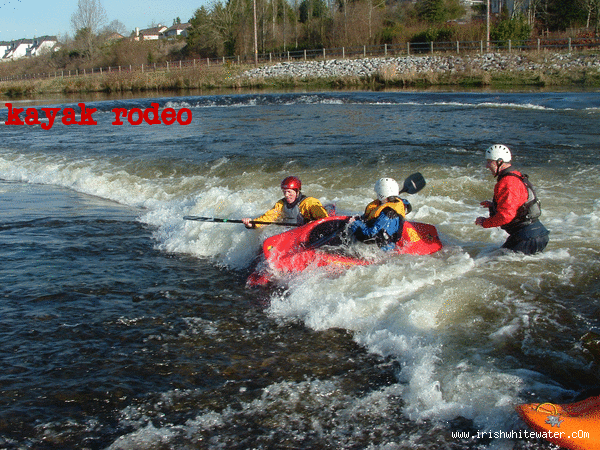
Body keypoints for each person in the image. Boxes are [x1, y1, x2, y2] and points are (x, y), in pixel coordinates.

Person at [475, 144, 549, 255]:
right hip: (534, 234)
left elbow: (506, 216)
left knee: (490, 265)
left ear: (499, 161)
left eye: (489, 162)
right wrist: (493, 205)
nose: (486, 166)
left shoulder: (508, 182)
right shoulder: (515, 176)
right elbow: (517, 203)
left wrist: (485, 222)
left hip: (527, 238)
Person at [347, 177, 411, 251]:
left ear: (382, 194)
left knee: (350, 230)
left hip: (383, 251)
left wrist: (354, 224)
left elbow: (369, 236)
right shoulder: (397, 202)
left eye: (378, 193)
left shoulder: (389, 214)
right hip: (380, 236)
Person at [241, 176, 328, 228]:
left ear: (297, 191)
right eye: (284, 192)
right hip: (290, 233)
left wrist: (314, 223)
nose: (286, 195)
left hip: (306, 232)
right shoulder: (281, 204)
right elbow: (268, 217)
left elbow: (325, 219)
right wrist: (251, 224)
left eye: (289, 192)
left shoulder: (309, 202)